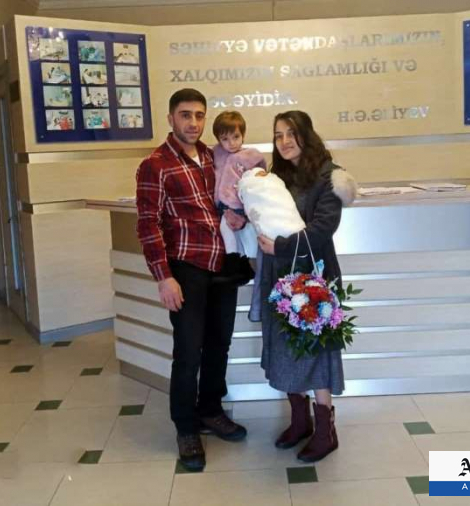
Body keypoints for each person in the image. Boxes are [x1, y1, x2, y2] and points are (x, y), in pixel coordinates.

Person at [136, 88, 248, 472]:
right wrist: (163, 277)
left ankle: (210, 410)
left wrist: (239, 215)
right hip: (186, 266)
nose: (194, 122)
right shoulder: (155, 165)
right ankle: (186, 427)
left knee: (219, 344)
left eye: (199, 115)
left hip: (222, 264)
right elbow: (148, 225)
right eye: (185, 115)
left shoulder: (214, 157)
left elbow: (229, 199)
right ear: (171, 118)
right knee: (188, 351)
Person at [256, 111, 357, 463]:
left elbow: (321, 230)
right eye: (278, 135)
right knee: (286, 348)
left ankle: (326, 431)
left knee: (316, 350)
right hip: (279, 275)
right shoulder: (276, 178)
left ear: (306, 135)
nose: (284, 141)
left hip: (314, 277)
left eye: (291, 133)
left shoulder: (330, 177)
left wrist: (280, 246)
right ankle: (300, 421)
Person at [212, 111, 267, 275]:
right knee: (226, 230)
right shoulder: (216, 154)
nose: (231, 143)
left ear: (243, 135)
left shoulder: (251, 157)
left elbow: (259, 180)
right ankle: (234, 261)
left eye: (236, 137)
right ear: (219, 140)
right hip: (221, 206)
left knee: (249, 235)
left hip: (242, 205)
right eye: (225, 139)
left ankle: (250, 264)